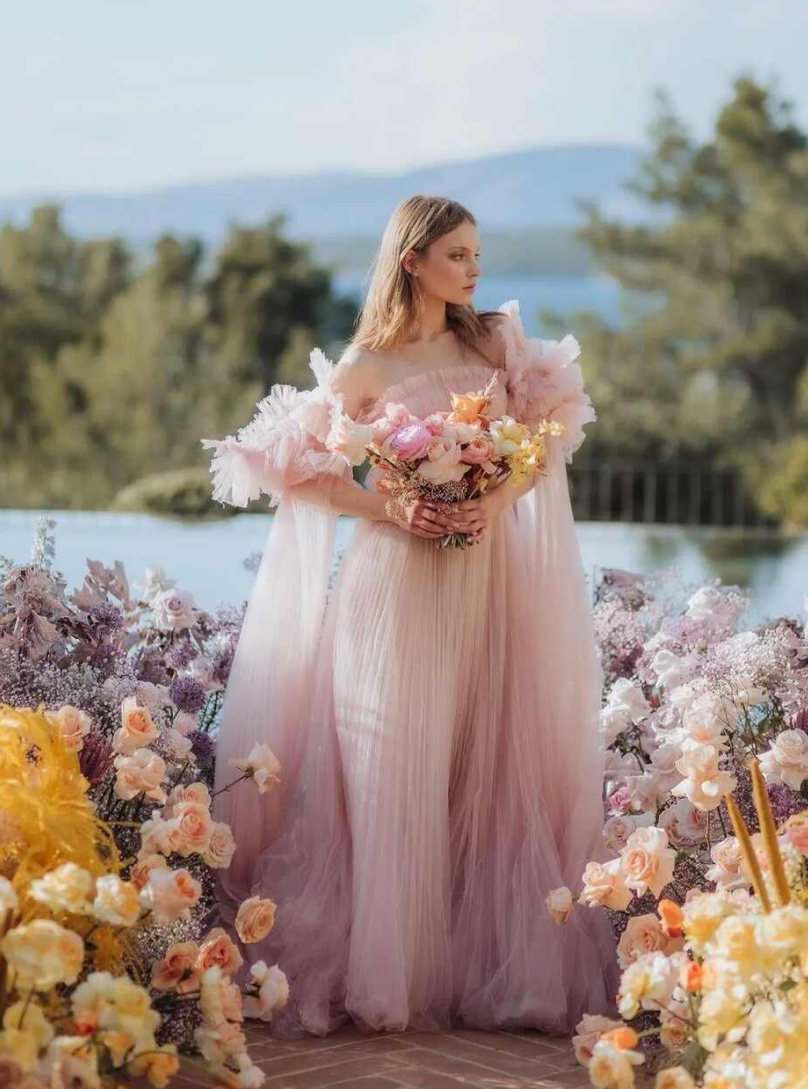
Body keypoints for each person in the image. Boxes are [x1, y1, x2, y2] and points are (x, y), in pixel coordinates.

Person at [201, 195, 620, 1040]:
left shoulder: (495, 341)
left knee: (481, 761)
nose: (474, 269)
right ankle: (388, 971)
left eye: (476, 253)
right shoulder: (366, 364)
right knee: (398, 768)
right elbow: (299, 472)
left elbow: (542, 444)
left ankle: (473, 969)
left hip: (485, 581)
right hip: (393, 585)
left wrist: (489, 499)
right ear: (411, 261)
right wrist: (392, 509)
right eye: (457, 255)